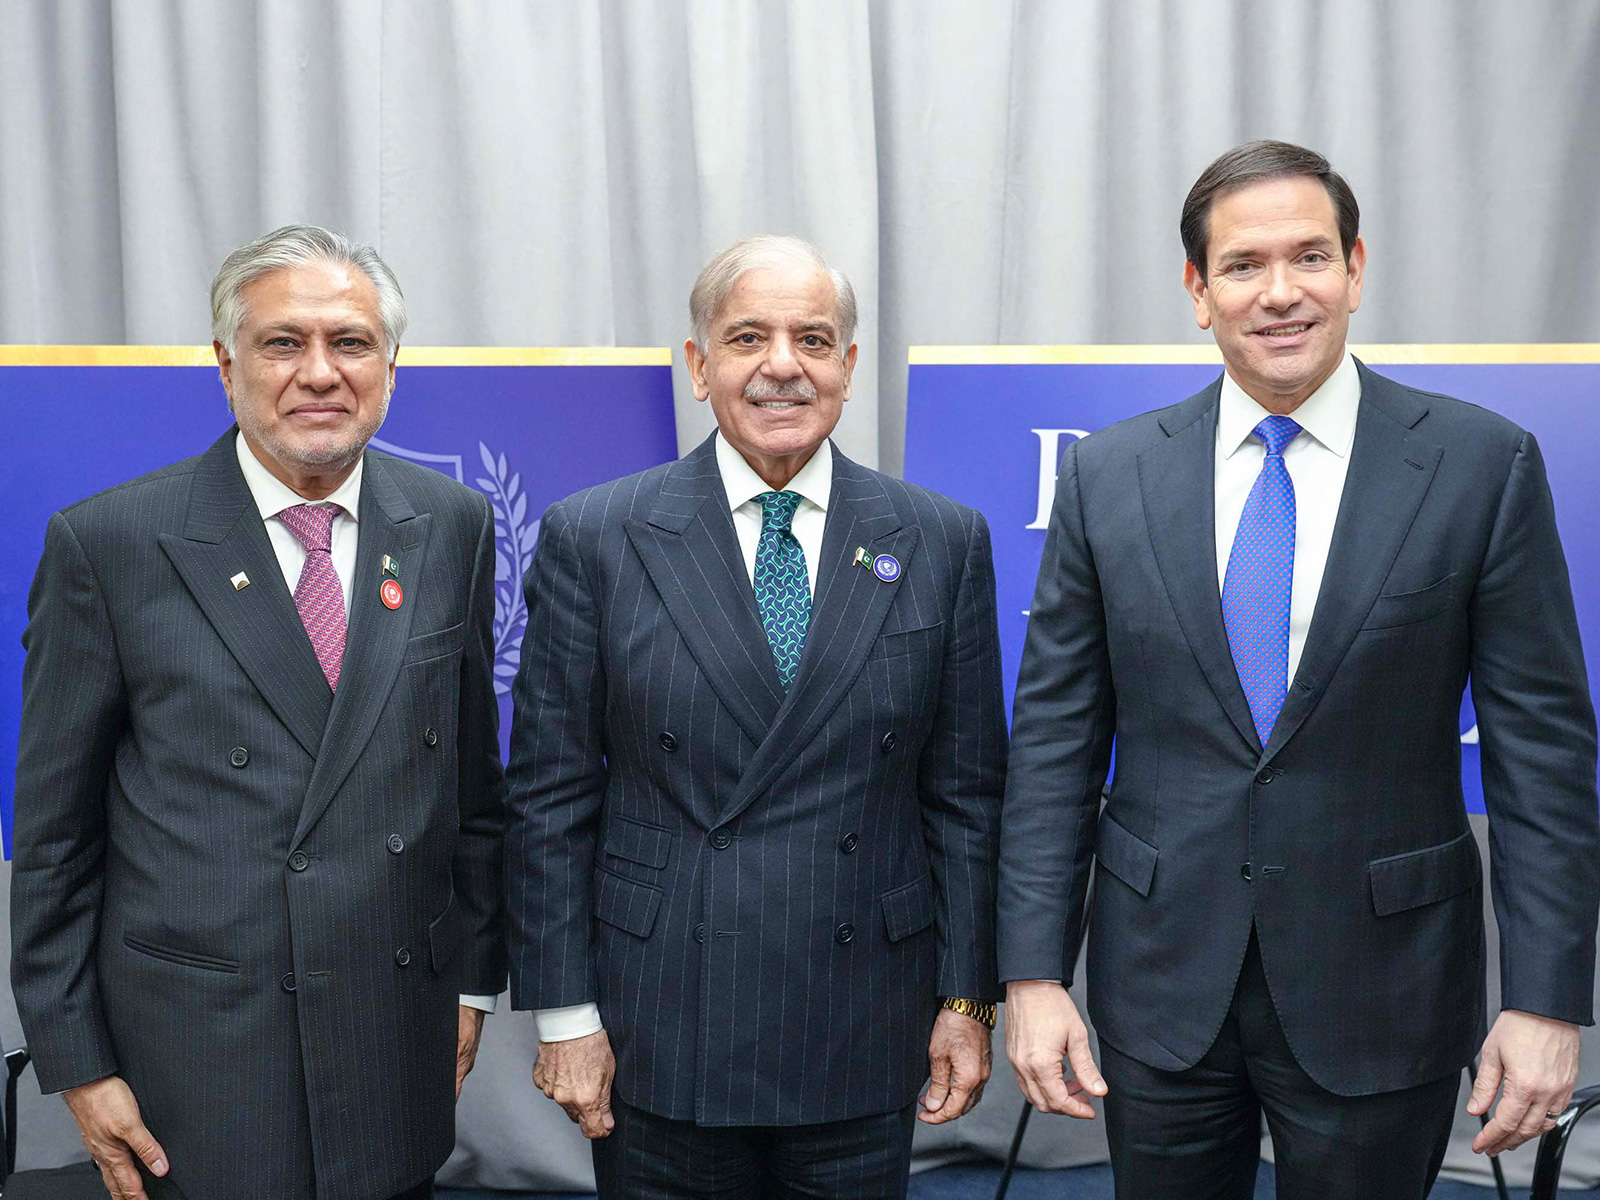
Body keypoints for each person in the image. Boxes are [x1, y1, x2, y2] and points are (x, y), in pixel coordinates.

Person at [998, 140, 1600, 1199]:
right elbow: (1052, 743)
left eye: (1309, 257)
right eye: (1242, 265)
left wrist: (1546, 1002)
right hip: (1160, 983)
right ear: (1197, 291)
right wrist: (1033, 973)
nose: (1279, 293)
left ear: (1354, 270)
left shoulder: (1479, 466)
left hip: (1386, 985)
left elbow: (1541, 759)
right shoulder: (1108, 476)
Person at [10, 224, 507, 1200]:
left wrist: (473, 981)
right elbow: (57, 839)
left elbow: (471, 792)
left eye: (350, 342)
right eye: (283, 342)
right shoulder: (109, 544)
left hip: (390, 1039)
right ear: (225, 365)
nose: (319, 372)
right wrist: (76, 1061)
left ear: (392, 368)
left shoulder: (452, 524)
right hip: (198, 1063)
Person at [506, 234, 1007, 1199]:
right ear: (699, 366)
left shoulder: (942, 538)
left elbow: (969, 797)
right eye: (748, 338)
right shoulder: (597, 536)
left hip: (865, 1017)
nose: (783, 365)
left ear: (849, 369)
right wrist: (565, 1014)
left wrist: (966, 997)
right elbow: (549, 799)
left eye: (813, 340)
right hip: (662, 1020)